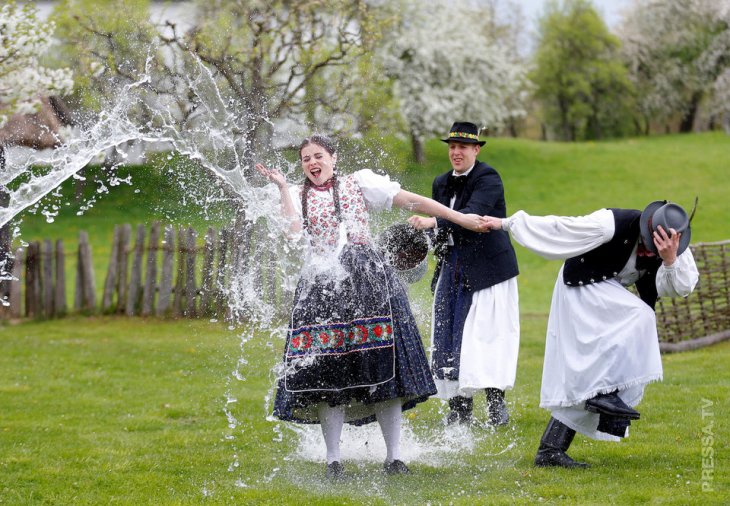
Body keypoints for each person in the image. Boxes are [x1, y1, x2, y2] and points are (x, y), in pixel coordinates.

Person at [255, 135, 487, 479]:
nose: (311, 163)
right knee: (326, 372)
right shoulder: (297, 194)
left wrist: (459, 218)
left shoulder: (359, 182)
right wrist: (281, 189)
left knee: (384, 364)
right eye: (305, 159)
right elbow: (292, 232)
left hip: (369, 283)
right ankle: (333, 460)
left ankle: (394, 457)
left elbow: (410, 201)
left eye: (318, 155)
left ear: (333, 157)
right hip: (322, 288)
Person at [481, 200, 699, 467]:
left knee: (593, 375)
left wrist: (669, 260)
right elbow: (561, 228)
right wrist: (506, 223)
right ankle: (605, 397)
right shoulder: (610, 224)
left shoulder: (675, 247)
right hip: (580, 285)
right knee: (640, 317)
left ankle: (550, 450)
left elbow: (678, 287)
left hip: (609, 292)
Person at [409, 122, 520, 426]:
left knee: (484, 334)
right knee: (448, 332)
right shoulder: (441, 182)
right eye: (452, 147)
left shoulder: (488, 178)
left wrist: (433, 222)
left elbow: (474, 217)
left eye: (463, 147)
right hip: (453, 265)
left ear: (476, 149)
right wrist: (419, 240)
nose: (456, 152)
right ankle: (460, 407)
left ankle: (496, 404)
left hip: (488, 268)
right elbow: (443, 231)